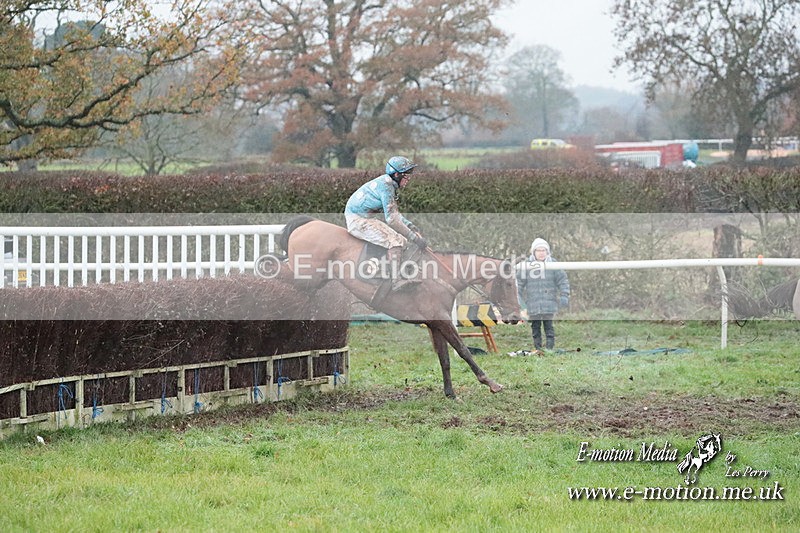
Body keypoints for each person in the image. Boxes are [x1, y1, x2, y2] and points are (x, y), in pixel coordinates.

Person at [345, 156, 427, 291]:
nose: (409, 179)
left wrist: (410, 225)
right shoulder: (386, 186)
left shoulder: (388, 183)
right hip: (357, 220)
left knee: (402, 240)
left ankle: (395, 272)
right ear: (396, 175)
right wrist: (415, 238)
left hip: (365, 218)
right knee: (395, 242)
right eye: (406, 175)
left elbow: (393, 213)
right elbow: (392, 220)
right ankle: (396, 281)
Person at [516, 238, 570, 353]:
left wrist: (564, 295)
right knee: (535, 327)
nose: (541, 253)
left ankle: (549, 348)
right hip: (533, 304)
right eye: (538, 250)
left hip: (549, 303)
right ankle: (538, 349)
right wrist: (518, 301)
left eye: (543, 250)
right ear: (533, 252)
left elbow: (563, 281)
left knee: (548, 326)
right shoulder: (526, 266)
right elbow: (518, 284)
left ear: (548, 252)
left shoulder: (554, 265)